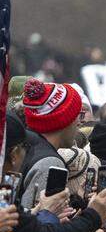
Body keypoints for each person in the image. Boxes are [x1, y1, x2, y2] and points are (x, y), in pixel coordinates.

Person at [15, 79, 83, 209]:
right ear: (64, 121)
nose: (79, 123)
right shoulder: (50, 164)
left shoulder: (23, 144)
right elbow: (39, 225)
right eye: (77, 115)